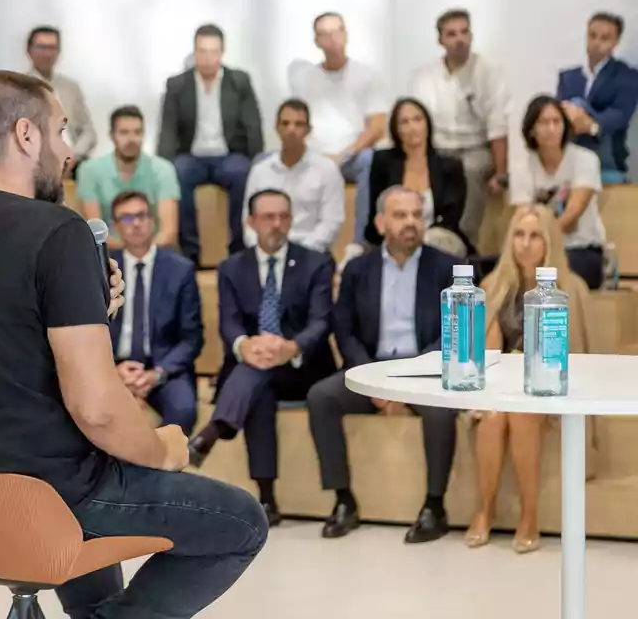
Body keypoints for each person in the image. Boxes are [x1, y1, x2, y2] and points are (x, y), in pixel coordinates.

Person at [0, 70, 268, 619]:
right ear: (26, 136)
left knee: (91, 511)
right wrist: (162, 451)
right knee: (241, 522)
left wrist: (89, 309)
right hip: (36, 498)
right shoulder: (58, 231)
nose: (68, 152)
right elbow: (98, 410)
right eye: (61, 132)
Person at [306, 186, 461, 544]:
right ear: (379, 222)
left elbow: (453, 333)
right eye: (400, 215)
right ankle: (343, 499)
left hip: (424, 370)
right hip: (371, 368)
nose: (411, 223)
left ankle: (434, 506)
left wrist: (410, 379)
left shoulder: (448, 269)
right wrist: (371, 379)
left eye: (417, 215)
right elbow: (343, 330)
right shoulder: (359, 269)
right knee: (321, 397)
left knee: (440, 409)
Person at [190, 189, 336, 523]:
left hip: (302, 367)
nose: (277, 224)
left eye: (283, 217)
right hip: (254, 364)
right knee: (259, 385)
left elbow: (321, 321)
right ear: (251, 222)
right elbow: (228, 320)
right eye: (268, 217)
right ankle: (267, 499)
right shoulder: (231, 267)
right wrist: (245, 346)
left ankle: (211, 434)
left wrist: (291, 347)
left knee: (255, 374)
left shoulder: (317, 262)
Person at [465, 204, 592, 554]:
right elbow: (486, 353)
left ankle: (530, 516)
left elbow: (575, 354)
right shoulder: (494, 284)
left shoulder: (570, 288)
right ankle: (484, 510)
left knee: (521, 416)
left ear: (549, 242)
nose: (525, 244)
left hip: (550, 389)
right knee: (492, 418)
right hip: (502, 387)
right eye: (519, 235)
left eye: (535, 236)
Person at [288, 12, 390, 265]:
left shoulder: (366, 75)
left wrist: (343, 155)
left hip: (352, 157)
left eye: (338, 31)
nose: (333, 39)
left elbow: (377, 127)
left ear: (346, 34)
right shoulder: (306, 79)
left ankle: (359, 243)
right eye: (325, 34)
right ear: (316, 41)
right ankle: (297, 243)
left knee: (371, 160)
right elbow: (298, 123)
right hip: (315, 155)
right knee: (266, 161)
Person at [158, 24, 265, 265]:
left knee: (241, 172)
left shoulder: (239, 81)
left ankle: (238, 251)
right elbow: (168, 130)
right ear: (194, 52)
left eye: (213, 51)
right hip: (192, 156)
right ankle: (190, 252)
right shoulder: (177, 84)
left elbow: (253, 125)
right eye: (202, 51)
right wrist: (163, 167)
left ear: (222, 52)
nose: (207, 58)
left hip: (228, 156)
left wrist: (257, 160)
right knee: (178, 172)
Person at [407, 8, 509, 240]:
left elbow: (498, 124)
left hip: (476, 149)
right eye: (451, 34)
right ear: (440, 40)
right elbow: (414, 119)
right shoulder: (424, 76)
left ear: (471, 36)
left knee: (468, 170)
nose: (459, 39)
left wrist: (501, 173)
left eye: (464, 32)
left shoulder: (489, 72)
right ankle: (420, 237)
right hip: (437, 148)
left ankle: (462, 240)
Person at [107, 190, 203, 435]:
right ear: (116, 227)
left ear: (152, 220)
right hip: (112, 364)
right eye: (127, 218)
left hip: (163, 365)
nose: (136, 223)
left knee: (184, 410)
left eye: (141, 215)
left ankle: (155, 468)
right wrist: (111, 370)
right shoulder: (101, 269)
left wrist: (157, 374)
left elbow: (192, 338)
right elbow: (89, 330)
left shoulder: (180, 270)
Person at [511, 95, 607, 289]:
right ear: (531, 130)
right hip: (535, 251)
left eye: (557, 122)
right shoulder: (522, 167)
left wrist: (543, 238)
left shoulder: (585, 160)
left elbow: (572, 214)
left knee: (551, 274)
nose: (552, 129)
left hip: (581, 249)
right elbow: (522, 216)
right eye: (544, 123)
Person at [365, 98, 472, 256]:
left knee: (435, 243)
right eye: (404, 122)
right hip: (394, 237)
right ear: (395, 129)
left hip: (440, 239)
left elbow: (451, 217)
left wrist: (419, 237)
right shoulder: (383, 162)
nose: (412, 127)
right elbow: (377, 209)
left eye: (417, 119)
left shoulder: (450, 165)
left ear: (427, 124)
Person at [242, 98, 345, 254]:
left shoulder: (327, 169)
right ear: (276, 128)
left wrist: (298, 252)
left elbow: (331, 223)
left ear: (308, 130)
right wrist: (261, 249)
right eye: (285, 123)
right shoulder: (260, 170)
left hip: (311, 252)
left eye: (299, 124)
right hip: (266, 251)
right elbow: (249, 221)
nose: (291, 130)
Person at [77, 105, 180, 247]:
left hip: (154, 252)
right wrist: (131, 254)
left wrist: (143, 254)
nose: (132, 139)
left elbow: (168, 232)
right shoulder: (89, 171)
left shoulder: (163, 169)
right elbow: (95, 232)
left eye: (137, 132)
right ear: (112, 135)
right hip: (110, 255)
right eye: (124, 133)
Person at [555, 12, 638, 183]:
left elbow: (620, 115)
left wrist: (590, 125)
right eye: (592, 36)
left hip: (606, 160)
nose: (596, 43)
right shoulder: (568, 77)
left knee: (577, 103)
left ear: (615, 42)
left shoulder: (627, 76)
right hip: (572, 156)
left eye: (604, 38)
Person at [26, 25, 96, 169]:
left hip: (74, 161)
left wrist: (74, 154)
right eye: (41, 47)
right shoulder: (19, 86)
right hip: (35, 163)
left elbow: (88, 131)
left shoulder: (71, 87)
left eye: (52, 48)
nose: (47, 54)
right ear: (29, 51)